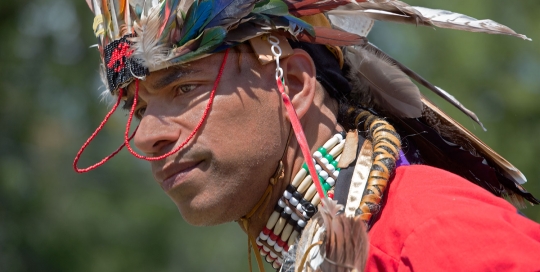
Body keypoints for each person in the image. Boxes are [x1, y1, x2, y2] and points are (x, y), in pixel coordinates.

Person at [76, 0, 540, 271]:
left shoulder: (435, 236)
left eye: (185, 87)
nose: (145, 137)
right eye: (136, 109)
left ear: (293, 86)